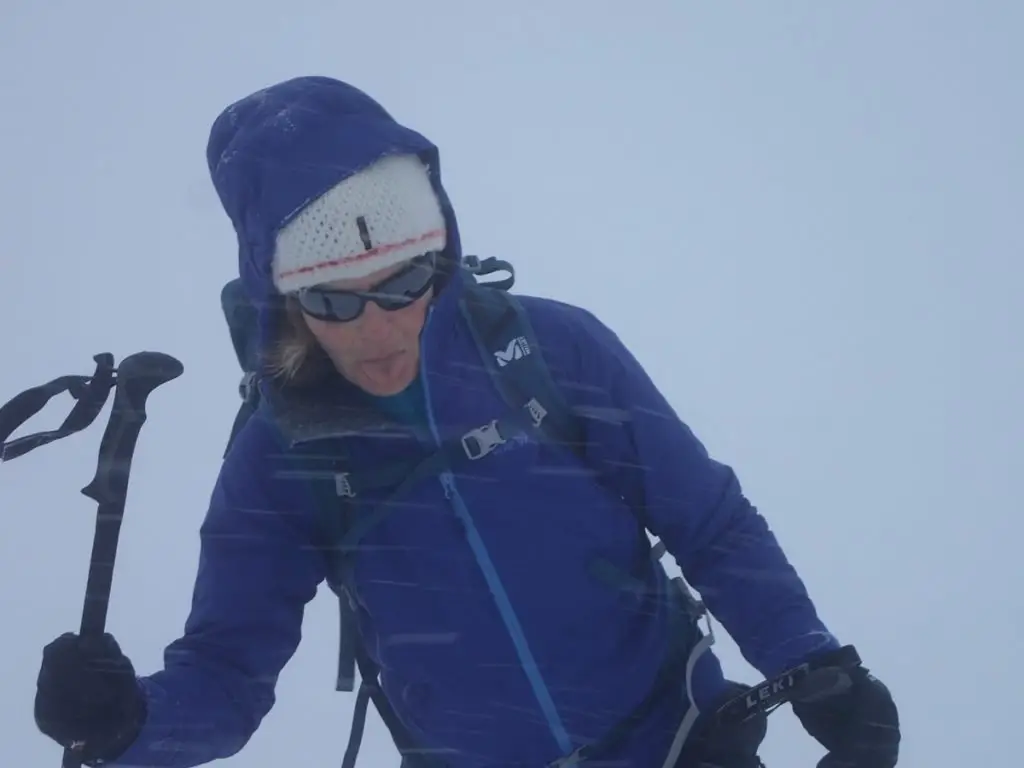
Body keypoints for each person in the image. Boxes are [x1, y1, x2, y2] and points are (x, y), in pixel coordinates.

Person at [32, 75, 900, 768]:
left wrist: (809, 659)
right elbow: (226, 669)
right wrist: (130, 727)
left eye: (406, 280)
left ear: (439, 254)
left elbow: (708, 523)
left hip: (680, 741)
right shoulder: (281, 454)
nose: (380, 328)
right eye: (334, 299)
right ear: (281, 297)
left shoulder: (555, 352)